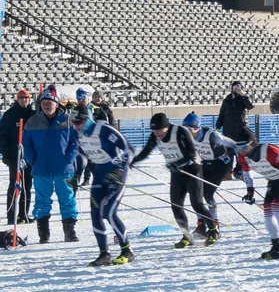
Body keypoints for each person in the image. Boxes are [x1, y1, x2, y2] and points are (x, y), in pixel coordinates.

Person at [130, 111, 217, 248]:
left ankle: (213, 230)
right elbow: (147, 150)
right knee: (176, 205)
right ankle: (186, 236)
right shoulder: (155, 135)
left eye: (159, 130)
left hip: (192, 169)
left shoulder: (180, 131)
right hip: (176, 173)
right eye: (154, 131)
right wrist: (133, 161)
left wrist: (178, 163)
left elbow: (191, 153)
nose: (157, 134)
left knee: (197, 203)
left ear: (166, 126)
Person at [74, 104, 132, 266]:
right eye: (73, 122)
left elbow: (127, 148)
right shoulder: (78, 135)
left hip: (116, 175)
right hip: (99, 177)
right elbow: (82, 157)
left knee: (109, 212)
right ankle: (104, 254)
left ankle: (127, 250)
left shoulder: (104, 129)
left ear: (87, 120)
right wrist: (76, 176)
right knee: (95, 214)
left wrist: (120, 168)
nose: (75, 125)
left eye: (79, 122)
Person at [21, 88, 80, 243]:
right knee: (42, 201)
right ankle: (43, 234)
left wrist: (69, 158)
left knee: (67, 199)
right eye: (44, 102)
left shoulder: (68, 120)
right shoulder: (33, 121)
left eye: (50, 102)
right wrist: (32, 160)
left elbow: (76, 141)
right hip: (41, 168)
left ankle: (70, 232)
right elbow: (26, 144)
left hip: (63, 168)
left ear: (57, 103)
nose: (46, 105)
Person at [1, 87, 35, 248]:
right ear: (17, 99)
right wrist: (5, 154)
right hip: (15, 155)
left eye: (26, 98)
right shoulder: (10, 115)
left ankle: (23, 213)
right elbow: (2, 135)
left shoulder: (33, 114)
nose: (24, 100)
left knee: (27, 185)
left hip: (29, 156)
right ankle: (11, 213)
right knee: (15, 184)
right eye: (21, 98)